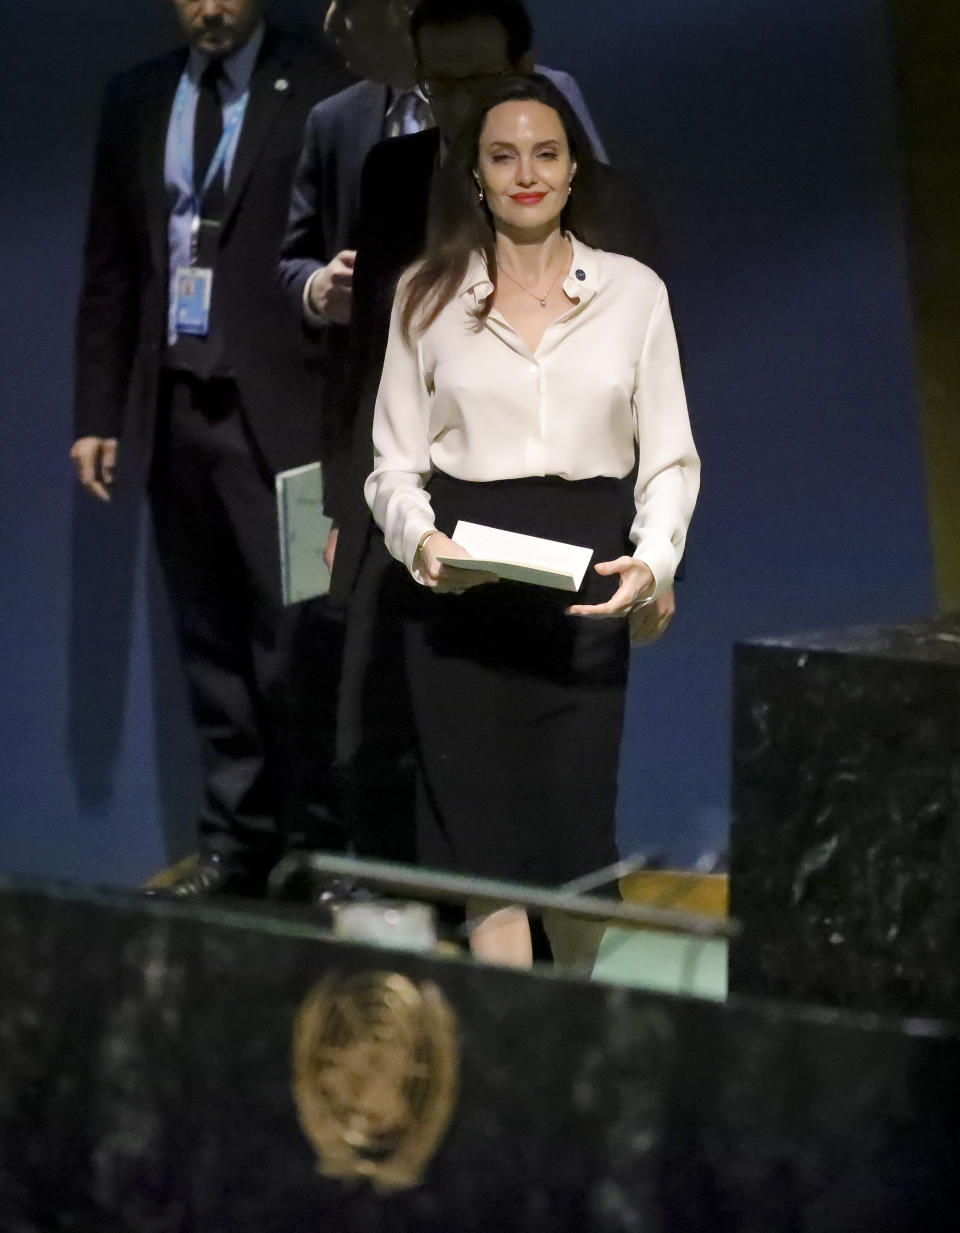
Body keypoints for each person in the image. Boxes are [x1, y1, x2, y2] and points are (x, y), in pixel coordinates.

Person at [364, 73, 700, 968]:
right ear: (474, 175)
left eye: (545, 154)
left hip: (585, 587)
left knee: (578, 844)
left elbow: (667, 460)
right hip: (460, 591)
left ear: (572, 170)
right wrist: (422, 542)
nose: (525, 173)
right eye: (503, 155)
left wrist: (654, 562)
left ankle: (578, 1053)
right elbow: (393, 465)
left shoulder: (635, 295)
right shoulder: (423, 295)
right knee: (485, 852)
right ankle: (512, 1061)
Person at [330, 0, 667, 881]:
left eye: (476, 81)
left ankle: (565, 1000)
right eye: (436, 85)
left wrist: (659, 562)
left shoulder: (611, 218)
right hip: (434, 526)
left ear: (525, 68)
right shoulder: (394, 180)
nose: (454, 105)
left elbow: (648, 413)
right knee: (400, 770)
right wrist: (350, 509)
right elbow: (366, 361)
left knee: (571, 821)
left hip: (581, 551)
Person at [70, 0, 352, 897]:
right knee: (211, 644)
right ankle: (235, 846)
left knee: (307, 634)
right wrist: (98, 411)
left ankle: (323, 848)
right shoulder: (139, 97)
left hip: (295, 417)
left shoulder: (321, 83)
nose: (211, 8)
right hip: (177, 416)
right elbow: (113, 264)